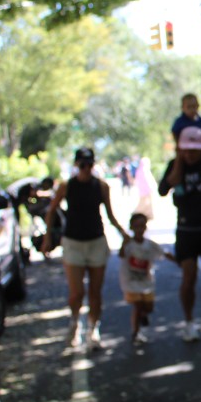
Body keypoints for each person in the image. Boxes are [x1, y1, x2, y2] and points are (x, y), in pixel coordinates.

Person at [42, 148, 128, 349]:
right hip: (73, 242)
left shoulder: (101, 186)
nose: (86, 169)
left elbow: (110, 214)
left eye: (89, 164)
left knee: (95, 292)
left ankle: (93, 329)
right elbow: (51, 210)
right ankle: (74, 322)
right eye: (82, 165)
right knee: (77, 292)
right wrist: (47, 237)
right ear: (76, 165)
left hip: (96, 241)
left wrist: (124, 235)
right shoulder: (67, 186)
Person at [158, 126, 201, 342]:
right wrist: (179, 162)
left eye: (194, 150)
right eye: (186, 150)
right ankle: (189, 322)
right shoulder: (176, 164)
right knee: (189, 277)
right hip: (187, 230)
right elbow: (163, 190)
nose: (190, 154)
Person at [119, 213, 174, 345]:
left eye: (142, 226)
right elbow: (121, 255)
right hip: (131, 282)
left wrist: (178, 261)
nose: (139, 229)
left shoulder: (150, 245)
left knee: (148, 307)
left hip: (146, 282)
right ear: (131, 227)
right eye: (136, 226)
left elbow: (163, 253)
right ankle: (135, 332)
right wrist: (124, 243)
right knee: (137, 306)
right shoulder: (128, 244)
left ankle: (144, 315)